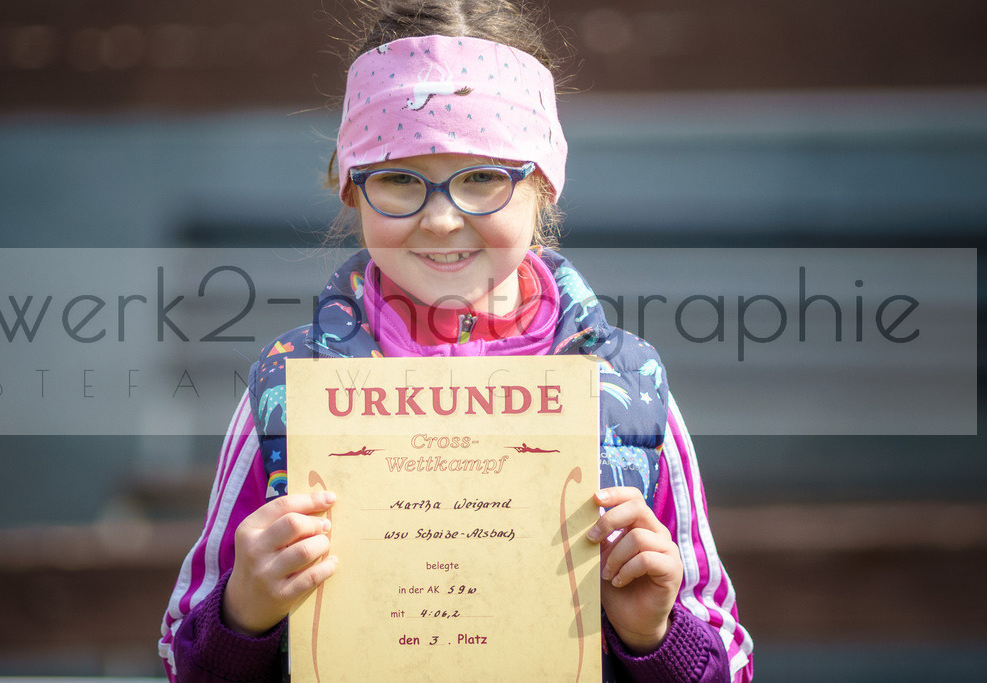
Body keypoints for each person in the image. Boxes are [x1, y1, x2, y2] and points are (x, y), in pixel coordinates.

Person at [159, 1, 753, 680]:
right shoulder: (291, 384)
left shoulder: (627, 388)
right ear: (352, 193)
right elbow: (186, 659)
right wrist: (244, 610)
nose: (441, 220)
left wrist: (654, 632)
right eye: (397, 178)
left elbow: (727, 664)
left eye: (482, 178)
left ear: (543, 186)